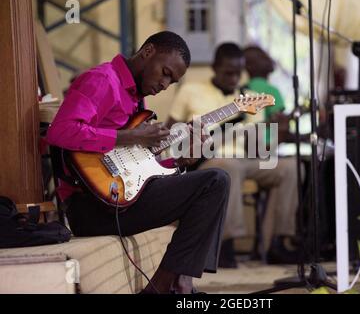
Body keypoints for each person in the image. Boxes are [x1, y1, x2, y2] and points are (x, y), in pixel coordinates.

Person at [46, 31, 230, 294]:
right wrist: (130, 135)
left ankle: (175, 282)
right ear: (148, 52)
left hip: (120, 200)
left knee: (213, 183)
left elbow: (136, 166)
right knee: (216, 182)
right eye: (165, 72)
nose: (165, 84)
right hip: (90, 209)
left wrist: (181, 161)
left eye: (172, 81)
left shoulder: (136, 98)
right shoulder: (102, 80)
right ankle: (168, 285)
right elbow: (60, 131)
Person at [166, 43, 300, 268]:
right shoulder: (191, 91)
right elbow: (171, 131)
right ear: (214, 67)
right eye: (228, 72)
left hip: (246, 158)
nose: (233, 78)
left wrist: (279, 131)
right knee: (228, 166)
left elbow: (257, 149)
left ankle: (277, 242)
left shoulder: (251, 98)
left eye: (238, 73)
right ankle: (226, 244)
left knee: (291, 167)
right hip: (207, 160)